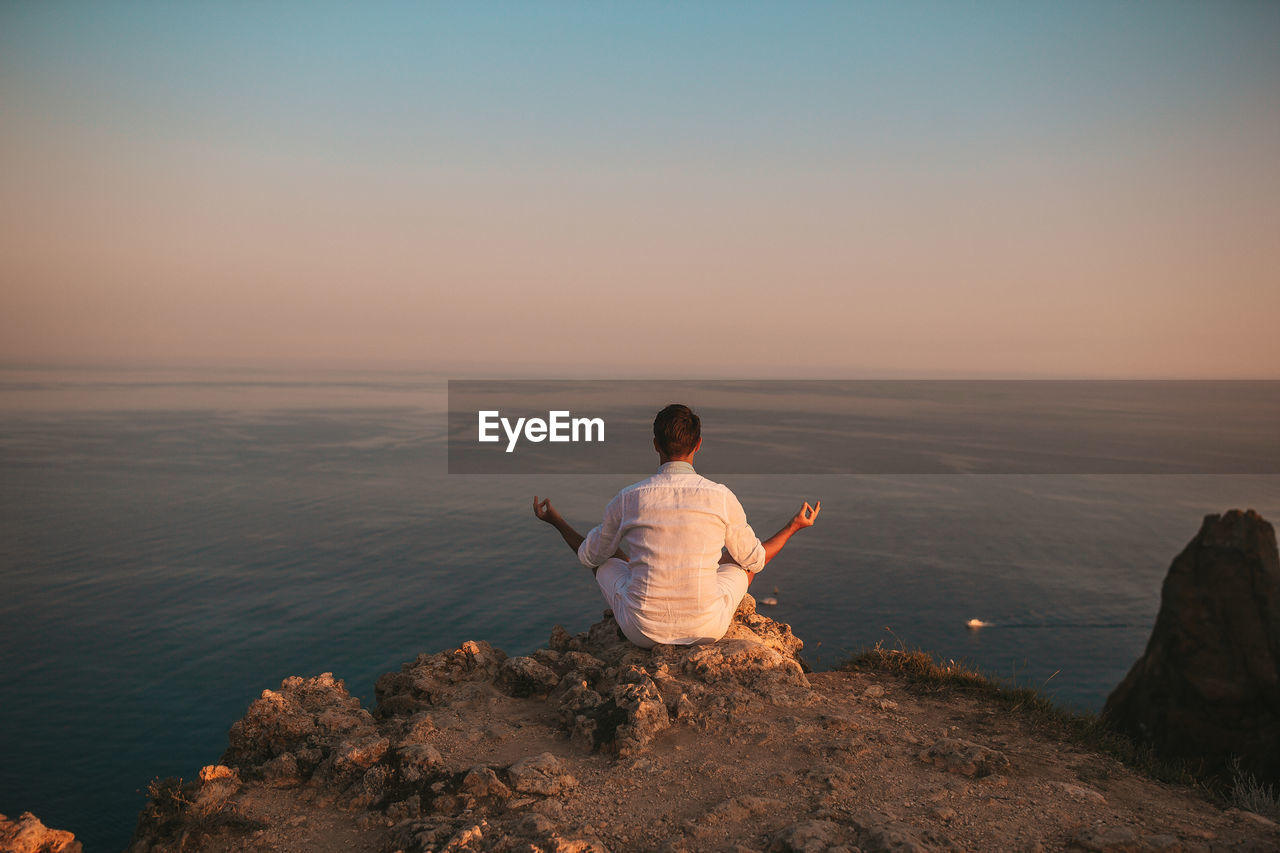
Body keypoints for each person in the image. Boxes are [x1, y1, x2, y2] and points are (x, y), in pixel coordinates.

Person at [533, 403, 820, 648]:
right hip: (707, 628)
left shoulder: (629, 498)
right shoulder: (721, 496)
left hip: (642, 631)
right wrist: (794, 525)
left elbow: (589, 556)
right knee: (743, 560)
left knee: (602, 558)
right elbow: (756, 561)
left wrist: (556, 521)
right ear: (698, 444)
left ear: (656, 444)